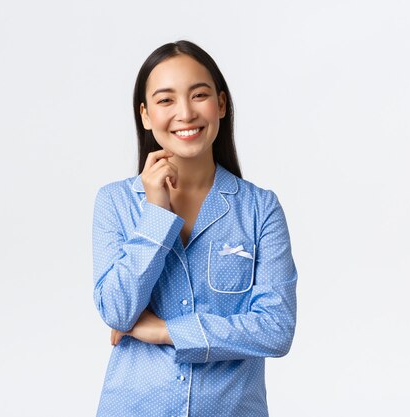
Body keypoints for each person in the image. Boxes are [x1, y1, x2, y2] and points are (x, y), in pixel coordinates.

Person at [91, 40, 298, 417]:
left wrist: (166, 331)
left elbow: (275, 328)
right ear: (146, 115)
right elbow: (117, 312)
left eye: (199, 95)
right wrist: (155, 213)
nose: (185, 113)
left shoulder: (259, 208)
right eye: (166, 100)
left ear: (220, 104)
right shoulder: (116, 202)